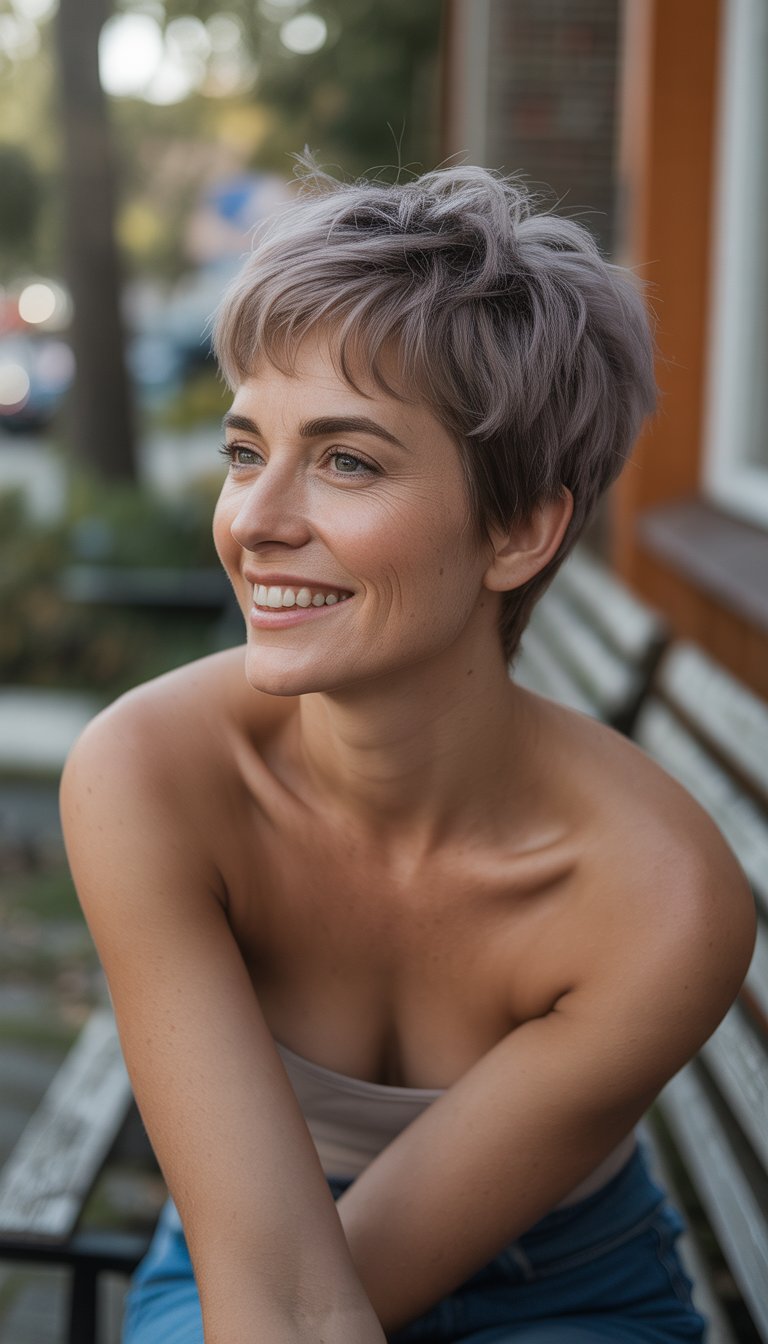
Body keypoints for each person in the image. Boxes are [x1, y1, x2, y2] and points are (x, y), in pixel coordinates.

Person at [60, 153, 756, 1344]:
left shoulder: (655, 899)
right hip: (245, 1240)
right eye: (243, 450)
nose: (257, 523)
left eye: (346, 460)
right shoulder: (150, 776)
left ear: (522, 529)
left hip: (570, 1287)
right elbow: (278, 1293)